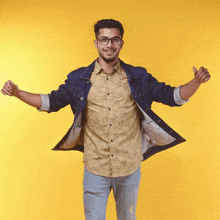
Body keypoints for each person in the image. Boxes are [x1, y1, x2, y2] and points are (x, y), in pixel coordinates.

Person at [1, 19, 210, 220]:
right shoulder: (79, 79)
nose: (109, 45)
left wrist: (196, 82)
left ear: (121, 43)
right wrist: (18, 93)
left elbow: (172, 97)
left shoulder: (138, 77)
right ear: (96, 42)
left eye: (114, 39)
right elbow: (50, 102)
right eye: (104, 39)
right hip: (95, 168)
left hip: (129, 166)